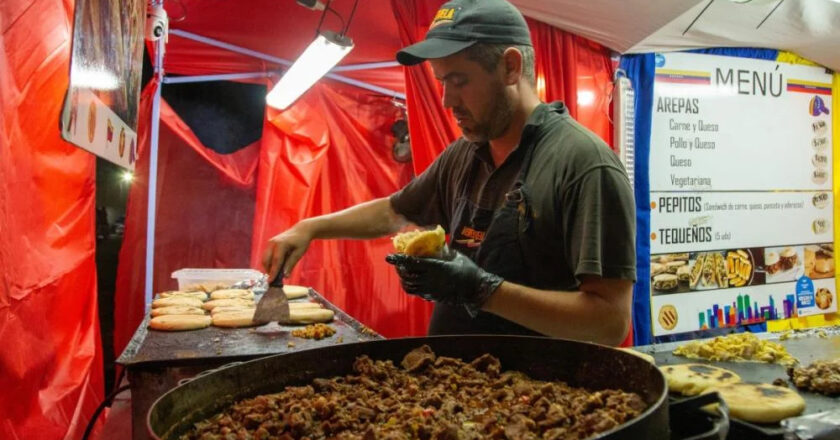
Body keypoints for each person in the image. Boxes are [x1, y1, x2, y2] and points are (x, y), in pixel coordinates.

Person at [262, 0, 636, 345]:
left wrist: (481, 290)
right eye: (442, 82)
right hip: (453, 387)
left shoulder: (583, 166)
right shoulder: (465, 154)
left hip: (538, 403)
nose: (446, 101)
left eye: (459, 81)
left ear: (510, 67)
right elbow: (396, 211)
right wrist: (311, 227)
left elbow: (608, 322)